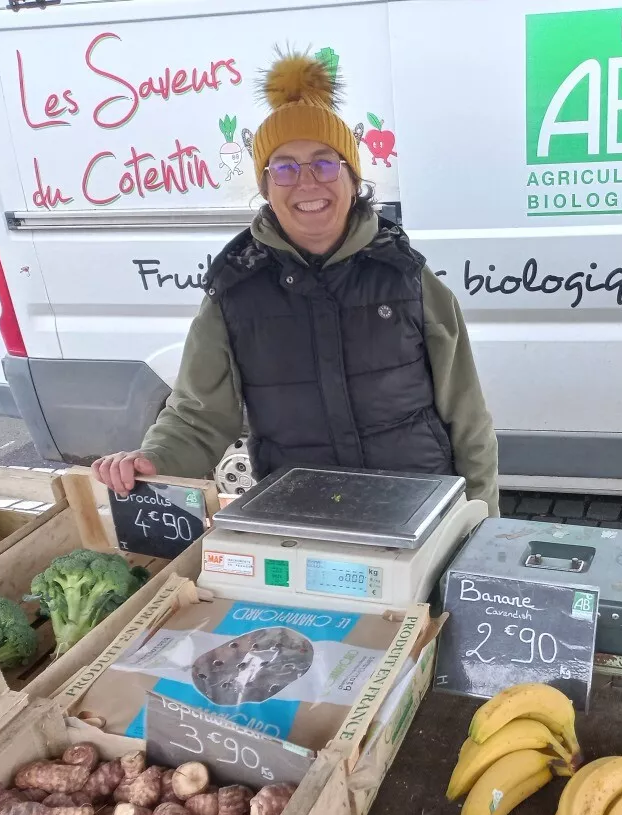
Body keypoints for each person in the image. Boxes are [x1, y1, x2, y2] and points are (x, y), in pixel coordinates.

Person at [92, 52, 499, 514]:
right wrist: (155, 458)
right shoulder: (235, 292)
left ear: (351, 176)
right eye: (284, 167)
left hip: (417, 509)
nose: (306, 182)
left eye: (324, 163)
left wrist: (479, 519)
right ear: (266, 186)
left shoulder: (407, 276)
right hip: (303, 516)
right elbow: (197, 417)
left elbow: (468, 420)